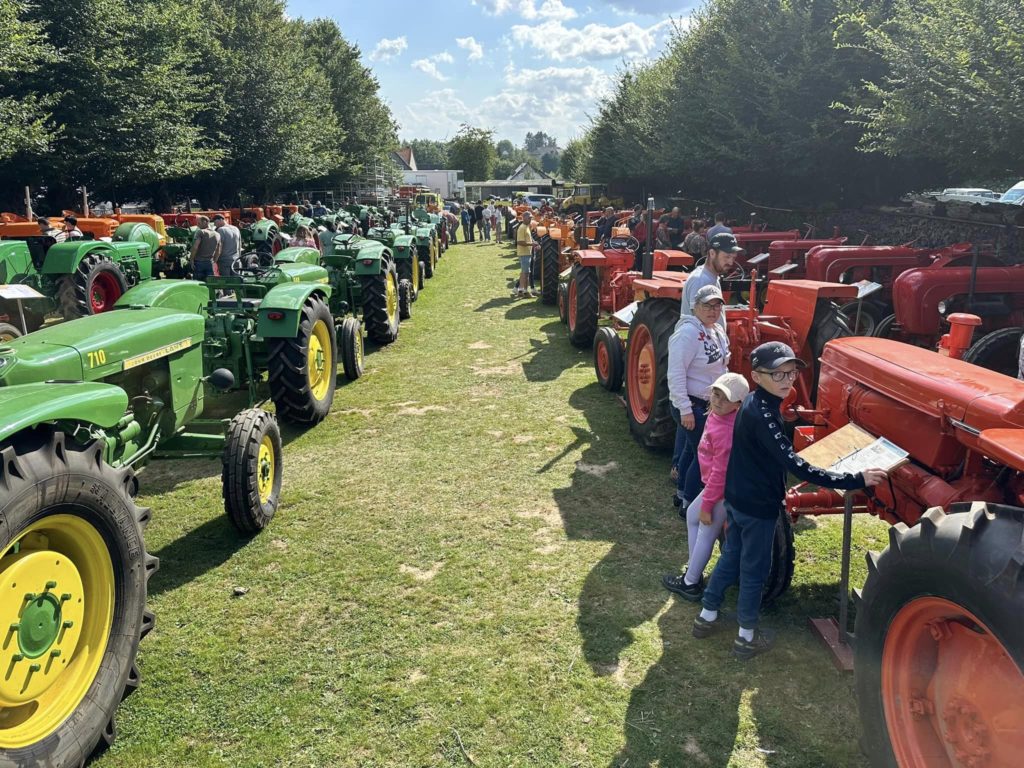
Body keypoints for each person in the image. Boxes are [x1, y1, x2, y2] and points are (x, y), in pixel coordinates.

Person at [692, 341, 887, 659]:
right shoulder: (764, 415)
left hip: (739, 499)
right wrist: (856, 479)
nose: (787, 380)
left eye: (791, 373)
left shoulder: (754, 402)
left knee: (731, 558)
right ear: (756, 375)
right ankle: (745, 636)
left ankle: (707, 615)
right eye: (777, 374)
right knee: (755, 569)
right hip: (757, 506)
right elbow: (796, 465)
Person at [662, 372, 748, 600]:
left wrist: (708, 504)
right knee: (692, 515)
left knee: (705, 527)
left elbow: (720, 474)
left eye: (725, 399)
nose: (718, 401)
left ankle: (690, 582)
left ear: (738, 405)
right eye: (716, 394)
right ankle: (694, 571)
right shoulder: (717, 416)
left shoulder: (727, 433)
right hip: (715, 486)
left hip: (722, 490)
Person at [667, 284, 730, 512]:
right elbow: (675, 374)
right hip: (692, 404)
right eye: (707, 306)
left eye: (717, 306)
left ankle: (682, 494)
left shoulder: (716, 331)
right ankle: (691, 503)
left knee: (689, 451)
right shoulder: (687, 334)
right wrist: (685, 409)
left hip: (707, 404)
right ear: (695, 307)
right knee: (702, 455)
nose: (713, 311)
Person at [678, 232, 741, 333]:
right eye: (727, 257)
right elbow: (699, 323)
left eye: (733, 257)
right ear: (712, 253)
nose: (731, 262)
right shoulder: (701, 280)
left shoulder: (711, 277)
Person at [190, 215, 221, 280]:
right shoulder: (217, 234)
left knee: (198, 285)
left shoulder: (201, 232)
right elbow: (218, 251)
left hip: (199, 263)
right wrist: (214, 261)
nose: (198, 225)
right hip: (210, 263)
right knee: (211, 284)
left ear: (205, 222)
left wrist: (192, 260)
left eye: (199, 223)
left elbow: (195, 247)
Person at [515, 211, 537, 298]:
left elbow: (528, 238)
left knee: (523, 272)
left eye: (531, 218)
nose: (530, 219)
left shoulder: (527, 227)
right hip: (524, 253)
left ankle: (520, 290)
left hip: (526, 253)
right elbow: (520, 242)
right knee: (526, 273)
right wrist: (532, 244)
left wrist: (533, 242)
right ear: (524, 218)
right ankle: (525, 291)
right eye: (529, 218)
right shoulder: (522, 228)